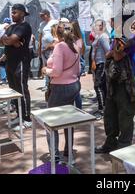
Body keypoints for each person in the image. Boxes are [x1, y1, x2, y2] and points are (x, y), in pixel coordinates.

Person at [95, 22, 135, 154]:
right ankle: (111, 143)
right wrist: (113, 53)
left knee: (125, 116)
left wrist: (113, 53)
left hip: (125, 84)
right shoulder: (117, 38)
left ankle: (124, 146)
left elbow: (117, 55)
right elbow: (109, 53)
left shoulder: (130, 38)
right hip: (112, 82)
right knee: (110, 115)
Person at [42, 23, 81, 163]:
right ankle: (68, 152)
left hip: (60, 88)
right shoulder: (75, 46)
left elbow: (57, 72)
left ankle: (55, 156)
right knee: (68, 121)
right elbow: (78, 70)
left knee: (51, 122)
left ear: (57, 34)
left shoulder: (60, 47)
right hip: (73, 86)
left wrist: (46, 70)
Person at [0, 4, 33, 131]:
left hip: (21, 63)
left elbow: (8, 40)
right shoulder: (12, 27)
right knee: (14, 90)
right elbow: (1, 40)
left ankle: (27, 118)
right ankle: (19, 116)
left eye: (15, 12)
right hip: (10, 63)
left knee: (22, 90)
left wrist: (9, 40)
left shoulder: (25, 26)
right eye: (12, 12)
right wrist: (10, 40)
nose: (12, 14)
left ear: (23, 14)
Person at [91, 19, 110, 117]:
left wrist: (106, 65)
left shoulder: (103, 37)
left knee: (98, 86)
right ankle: (103, 108)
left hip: (102, 64)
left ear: (102, 26)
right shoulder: (98, 36)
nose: (95, 26)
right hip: (98, 64)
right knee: (101, 86)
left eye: (97, 25)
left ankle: (102, 109)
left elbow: (108, 51)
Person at [38, 10, 59, 89]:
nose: (41, 17)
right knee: (45, 66)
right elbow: (40, 36)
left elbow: (57, 34)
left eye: (42, 15)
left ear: (47, 14)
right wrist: (39, 48)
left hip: (52, 48)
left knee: (52, 65)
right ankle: (47, 84)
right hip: (44, 49)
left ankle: (54, 83)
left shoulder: (55, 22)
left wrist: (53, 44)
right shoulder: (42, 24)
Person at [68, 20, 85, 109]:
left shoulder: (78, 40)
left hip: (78, 65)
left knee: (75, 90)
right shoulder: (74, 39)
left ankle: (79, 109)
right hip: (76, 65)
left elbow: (77, 52)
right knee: (74, 89)